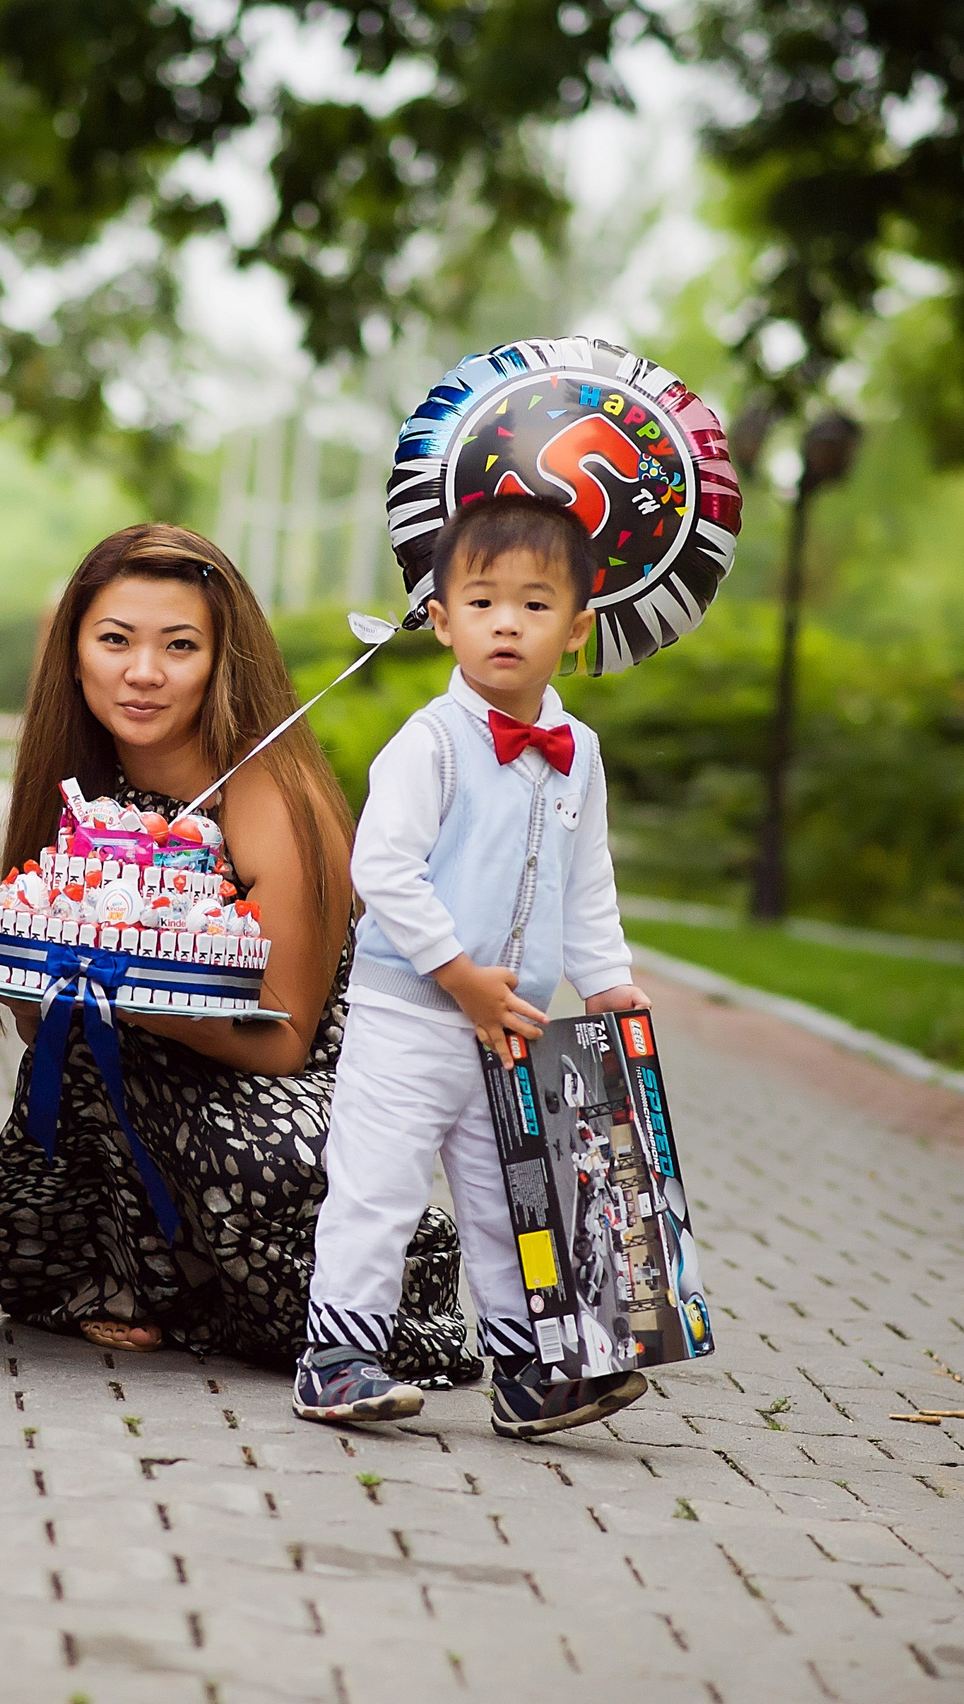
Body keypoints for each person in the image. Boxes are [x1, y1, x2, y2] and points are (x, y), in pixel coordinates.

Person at [0, 525, 475, 1380]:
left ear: (222, 660)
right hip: (125, 1097)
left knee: (262, 1196)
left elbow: (285, 1042)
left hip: (283, 1094)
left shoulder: (269, 788)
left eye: (180, 646)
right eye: (115, 640)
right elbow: (36, 1029)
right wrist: (50, 980)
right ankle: (147, 1271)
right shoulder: (83, 790)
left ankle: (228, 1292)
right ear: (76, 652)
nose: (143, 673)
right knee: (25, 1245)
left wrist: (141, 999)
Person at [293, 493, 655, 1438]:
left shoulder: (580, 754)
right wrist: (457, 970)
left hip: (515, 1027)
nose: (507, 623)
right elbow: (380, 866)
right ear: (442, 619)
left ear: (577, 629)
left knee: (515, 1198)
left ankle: (529, 1369)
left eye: (536, 606)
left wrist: (607, 978)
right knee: (380, 1181)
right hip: (414, 1011)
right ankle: (337, 1357)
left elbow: (588, 882)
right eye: (483, 601)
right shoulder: (432, 743)